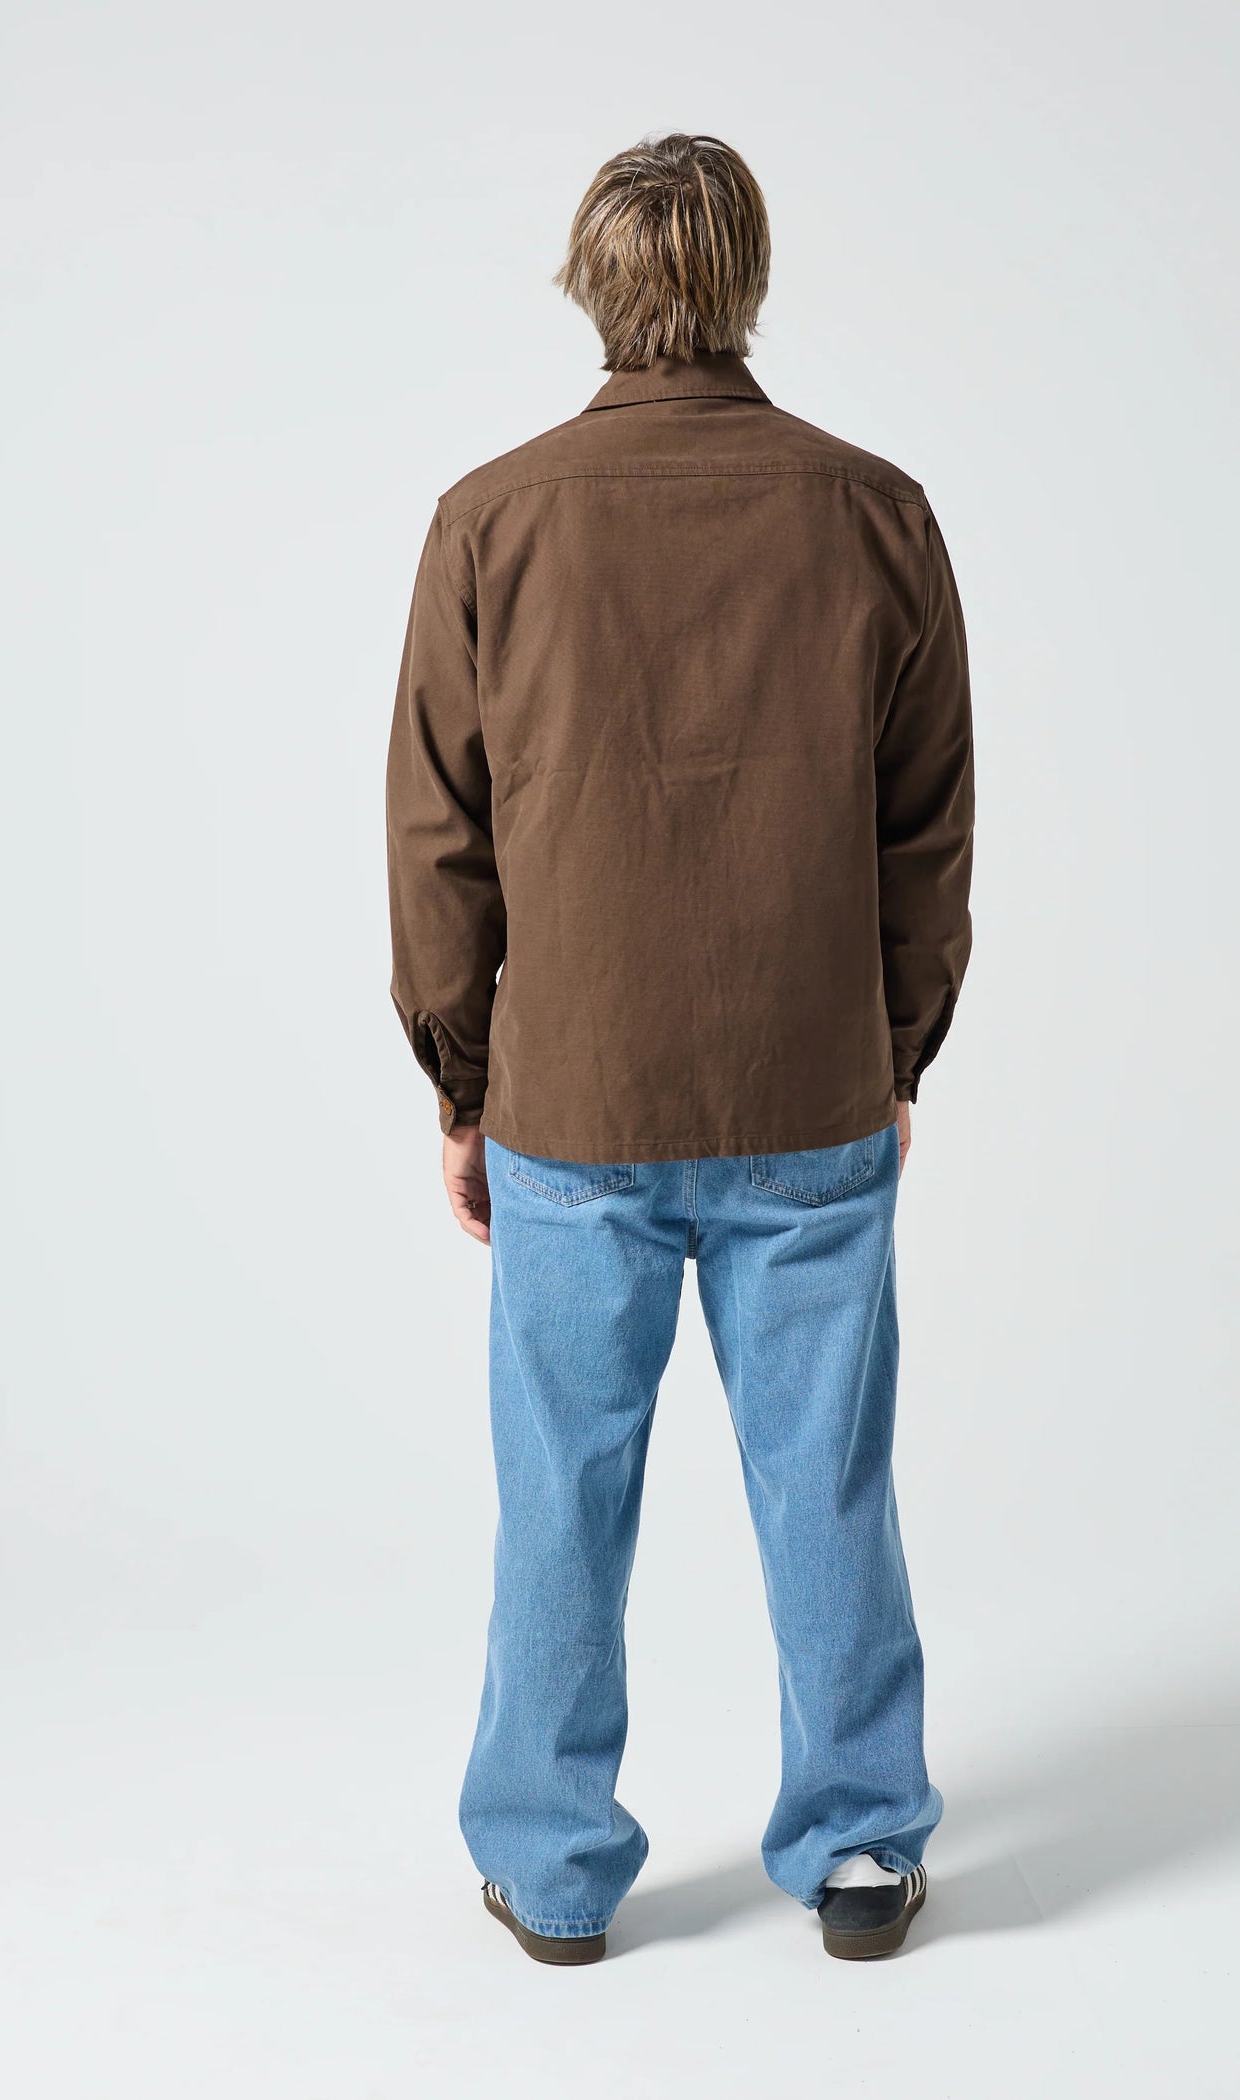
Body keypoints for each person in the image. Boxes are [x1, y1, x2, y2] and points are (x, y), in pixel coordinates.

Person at [385, 132, 974, 1965]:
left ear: (594, 283)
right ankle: (861, 1850)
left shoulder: (493, 521)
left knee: (564, 1489)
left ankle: (555, 1871)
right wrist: (897, 1051)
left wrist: (465, 1085)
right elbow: (927, 830)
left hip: (575, 1098)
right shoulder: (875, 512)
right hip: (811, 1089)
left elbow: (438, 839)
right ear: (748, 282)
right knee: (828, 1482)